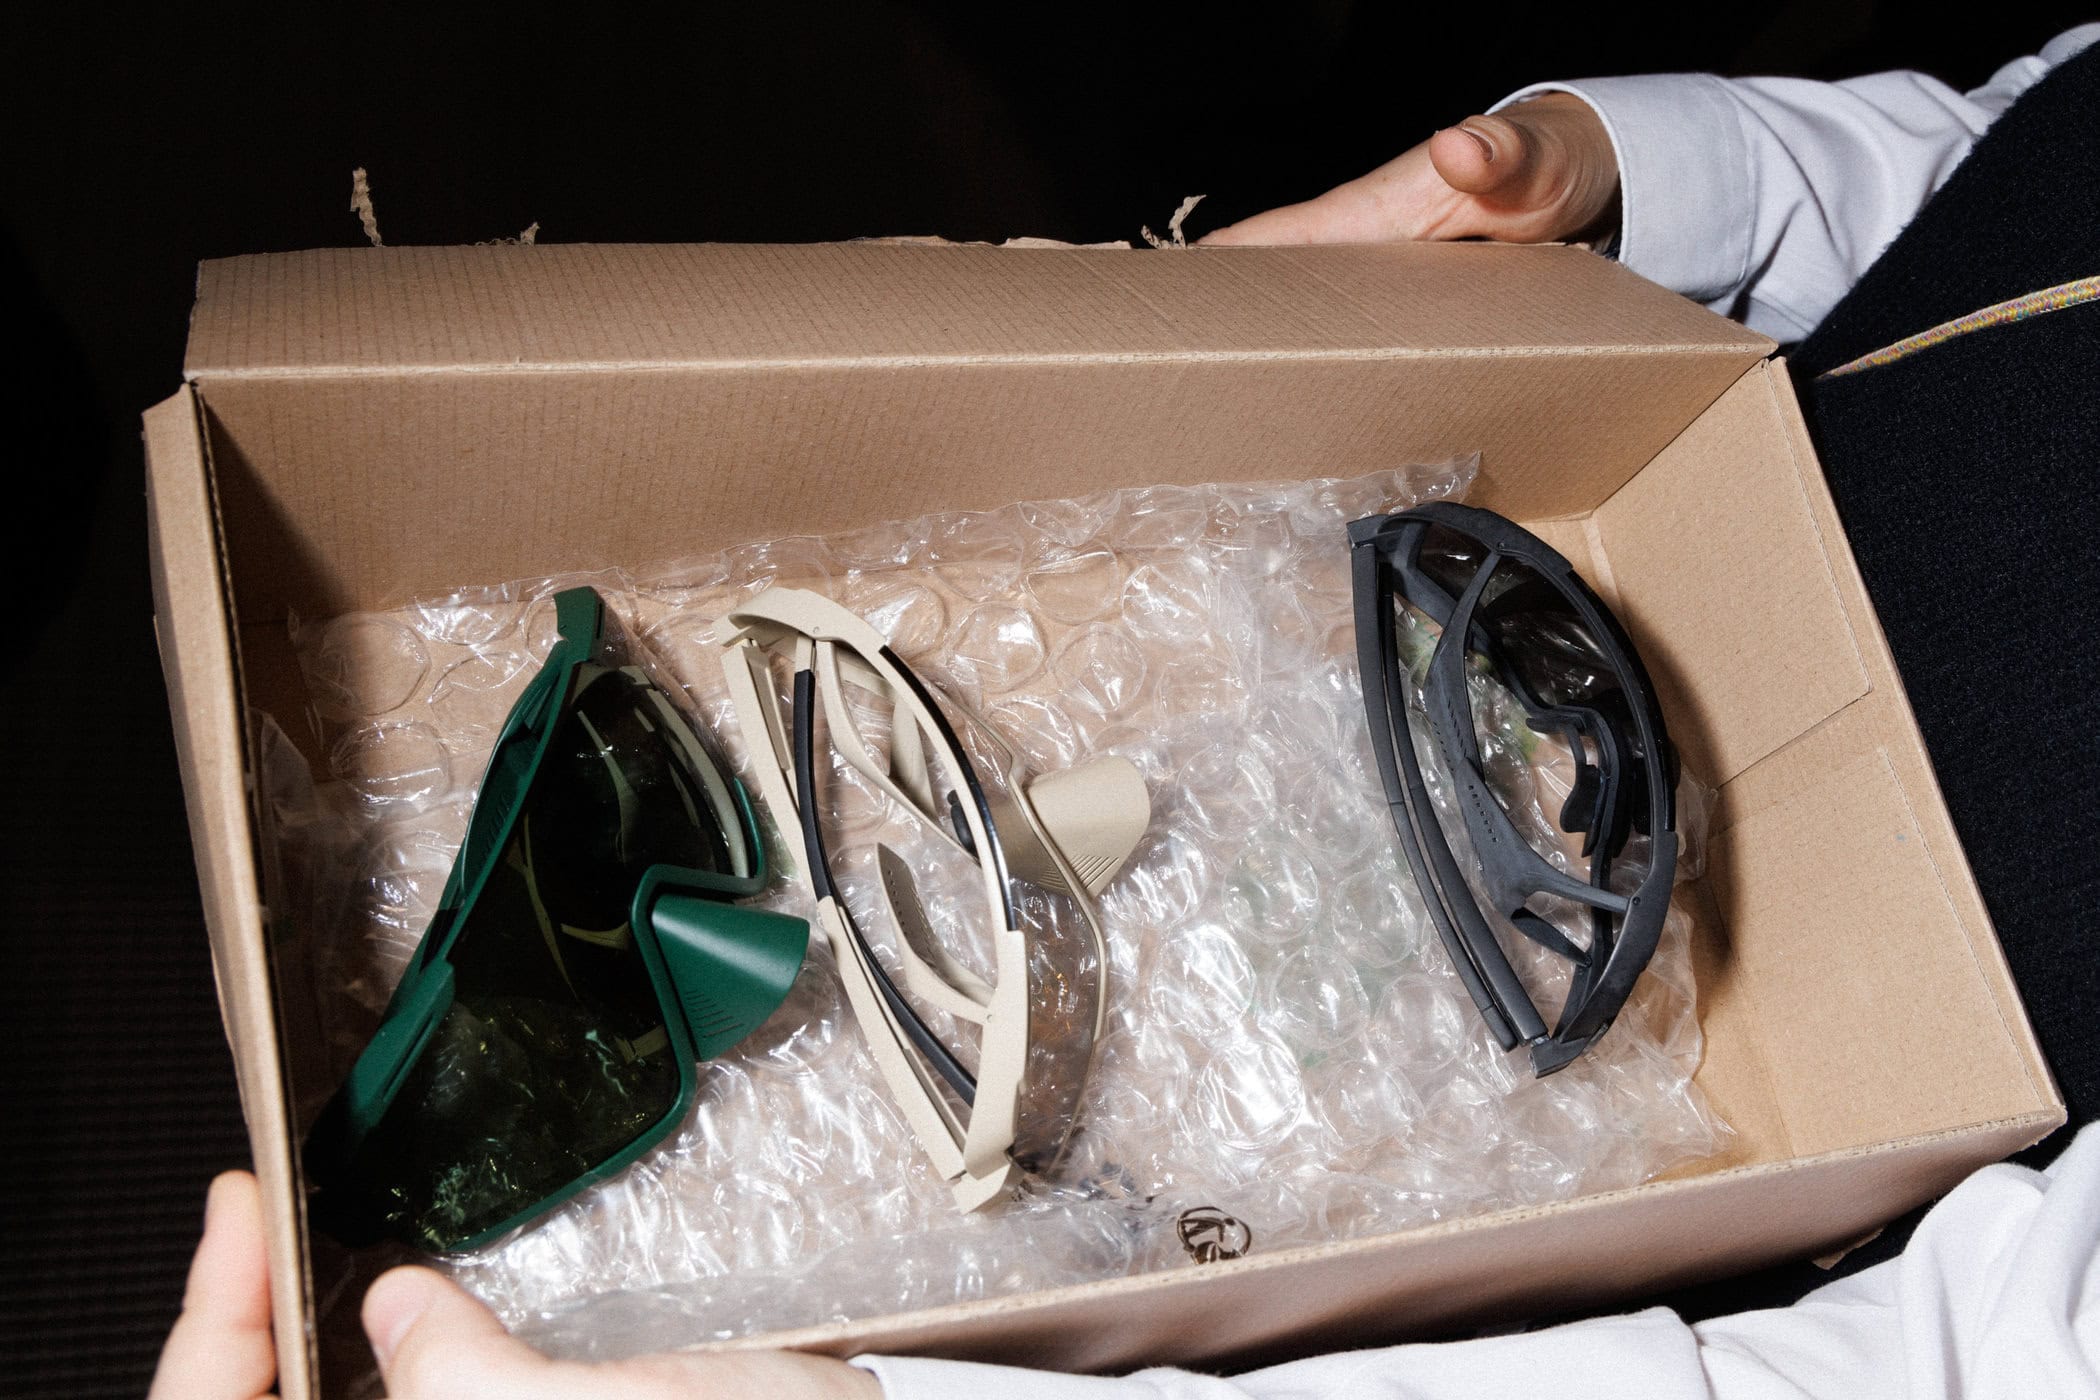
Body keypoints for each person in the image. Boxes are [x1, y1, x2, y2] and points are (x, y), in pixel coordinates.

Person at [152, 27, 2100, 1400]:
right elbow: (2012, 137)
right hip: (1677, 541)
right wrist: (1656, 176)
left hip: (1913, 1024)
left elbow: (1978, 1357)